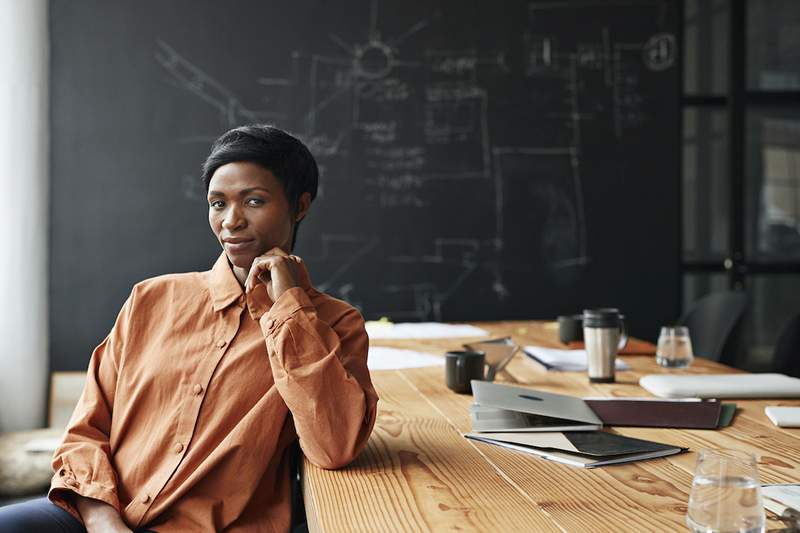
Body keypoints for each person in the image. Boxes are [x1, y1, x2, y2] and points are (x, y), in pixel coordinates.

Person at [0, 125, 378, 532]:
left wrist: (288, 309)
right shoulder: (150, 299)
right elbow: (86, 430)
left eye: (254, 201)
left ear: (299, 206)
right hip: (97, 514)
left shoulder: (334, 324)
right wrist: (104, 523)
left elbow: (335, 445)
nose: (231, 221)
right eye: (218, 203)